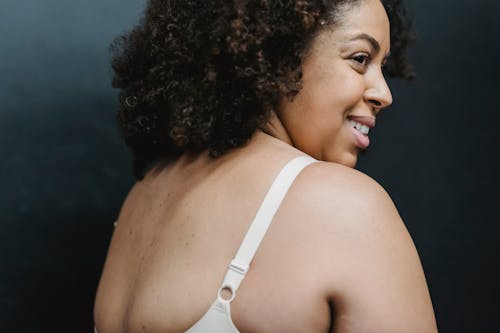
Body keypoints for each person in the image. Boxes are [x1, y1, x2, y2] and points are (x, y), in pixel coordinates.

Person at [94, 0, 438, 332]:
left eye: (382, 65)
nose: (383, 93)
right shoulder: (344, 205)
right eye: (360, 59)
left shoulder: (140, 198)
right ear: (280, 54)